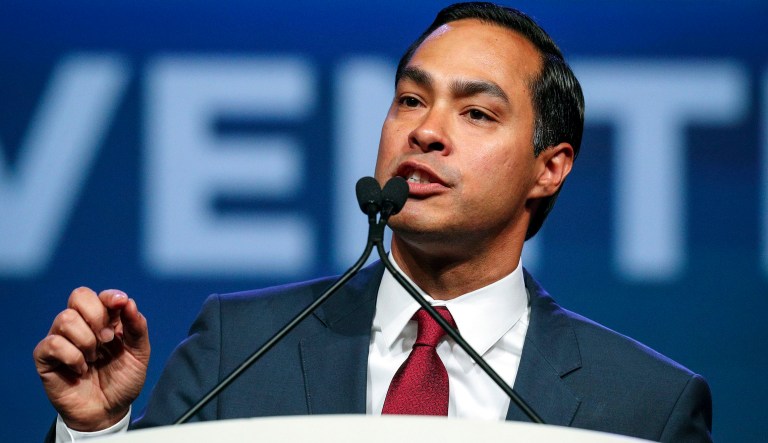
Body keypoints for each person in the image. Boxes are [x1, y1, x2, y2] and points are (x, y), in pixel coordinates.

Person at [33, 3, 712, 442]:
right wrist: (94, 429)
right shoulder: (235, 350)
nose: (425, 131)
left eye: (476, 112)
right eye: (410, 99)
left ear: (550, 167)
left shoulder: (645, 406)